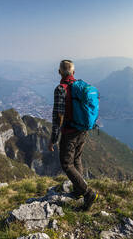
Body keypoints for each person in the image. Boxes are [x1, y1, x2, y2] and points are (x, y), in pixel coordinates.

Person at [48, 59, 98, 211]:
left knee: (66, 163)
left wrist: (53, 140)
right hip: (83, 129)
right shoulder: (80, 87)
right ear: (74, 73)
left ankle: (87, 192)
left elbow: (58, 116)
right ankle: (78, 191)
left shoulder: (60, 89)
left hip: (69, 132)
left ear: (59, 72)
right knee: (76, 159)